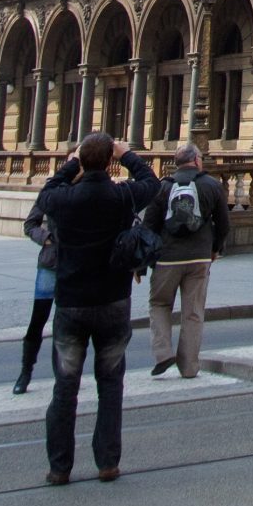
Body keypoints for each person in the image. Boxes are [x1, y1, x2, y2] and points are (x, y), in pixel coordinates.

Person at [39, 132, 159, 485]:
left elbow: (46, 193)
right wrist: (127, 156)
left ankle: (60, 468)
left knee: (65, 387)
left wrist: (71, 163)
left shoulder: (62, 199)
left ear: (80, 159)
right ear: (109, 161)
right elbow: (150, 183)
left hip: (72, 302)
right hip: (112, 302)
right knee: (110, 385)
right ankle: (107, 463)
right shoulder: (120, 196)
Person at [143, 142, 232, 380]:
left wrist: (143, 261)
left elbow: (149, 226)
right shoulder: (211, 185)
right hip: (199, 257)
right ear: (196, 161)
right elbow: (224, 224)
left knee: (159, 304)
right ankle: (189, 367)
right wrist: (215, 249)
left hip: (167, 258)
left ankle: (163, 353)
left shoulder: (162, 188)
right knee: (193, 313)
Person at [16, 171, 62, 395]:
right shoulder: (52, 189)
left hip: (74, 266)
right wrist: (45, 238)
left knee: (65, 324)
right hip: (50, 264)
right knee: (38, 321)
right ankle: (25, 372)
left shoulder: (86, 190)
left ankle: (62, 375)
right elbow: (30, 224)